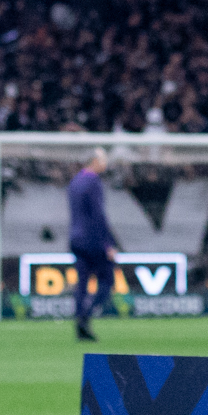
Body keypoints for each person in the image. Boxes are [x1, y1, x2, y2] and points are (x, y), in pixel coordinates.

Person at [67, 146, 114, 342]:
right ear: (95, 161)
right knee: (107, 280)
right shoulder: (93, 181)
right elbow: (97, 215)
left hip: (76, 239)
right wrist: (108, 244)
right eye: (103, 160)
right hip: (93, 240)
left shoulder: (75, 181)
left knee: (82, 283)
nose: (105, 163)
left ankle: (80, 322)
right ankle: (85, 316)